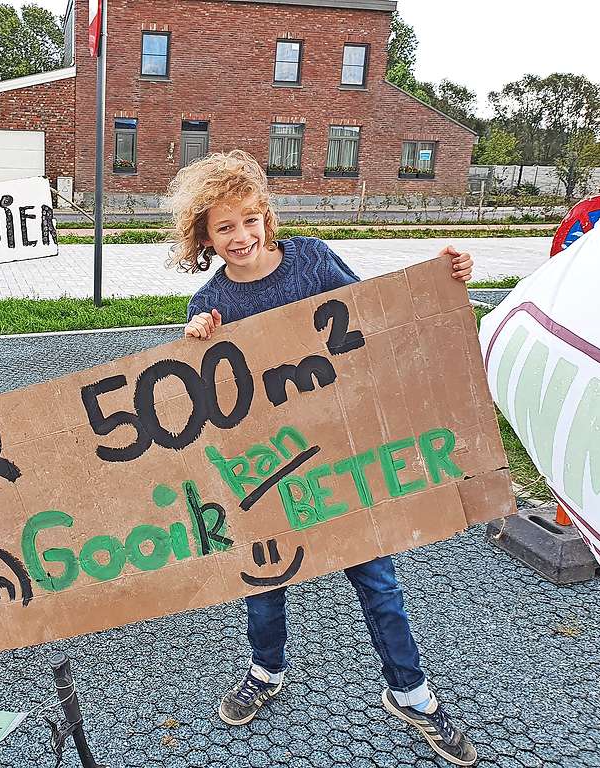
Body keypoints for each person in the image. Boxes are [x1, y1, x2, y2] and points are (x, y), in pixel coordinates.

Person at [169, 150, 478, 767]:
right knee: (265, 577)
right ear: (202, 235)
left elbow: (372, 310)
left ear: (267, 217)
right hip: (264, 468)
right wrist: (195, 337)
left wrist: (442, 274)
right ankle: (265, 671)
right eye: (224, 226)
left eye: (251, 219)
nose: (241, 236)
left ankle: (411, 693)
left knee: (376, 576)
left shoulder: (310, 258)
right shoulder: (211, 301)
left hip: (340, 452)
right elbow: (206, 390)